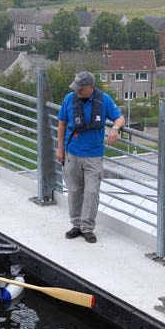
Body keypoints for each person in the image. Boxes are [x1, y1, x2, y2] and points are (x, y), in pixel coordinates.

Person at [55, 71, 125, 243]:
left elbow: (120, 118)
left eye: (81, 88)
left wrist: (115, 129)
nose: (77, 91)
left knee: (92, 192)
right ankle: (76, 225)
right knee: (74, 191)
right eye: (76, 88)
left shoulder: (104, 100)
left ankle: (87, 227)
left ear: (91, 87)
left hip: (94, 155)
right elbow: (62, 124)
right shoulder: (69, 99)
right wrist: (60, 149)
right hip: (72, 153)